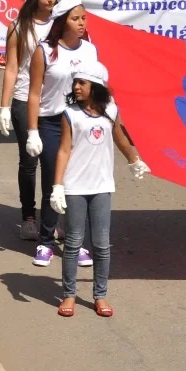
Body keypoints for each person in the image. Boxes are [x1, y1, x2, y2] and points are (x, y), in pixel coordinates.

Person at [51, 61, 150, 318]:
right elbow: (64, 149)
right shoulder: (70, 114)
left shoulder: (111, 111)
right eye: (75, 83)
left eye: (82, 82)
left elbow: (120, 137)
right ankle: (69, 295)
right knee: (73, 242)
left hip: (102, 185)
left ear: (95, 85)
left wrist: (134, 159)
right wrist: (58, 185)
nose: (76, 87)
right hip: (75, 185)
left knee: (102, 244)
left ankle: (100, 295)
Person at [26, 0, 98, 267]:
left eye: (84, 18)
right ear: (62, 21)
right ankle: (46, 241)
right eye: (75, 18)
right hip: (52, 123)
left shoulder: (90, 50)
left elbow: (95, 89)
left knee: (77, 186)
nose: (81, 23)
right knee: (53, 184)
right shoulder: (44, 51)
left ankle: (75, 242)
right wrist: (33, 130)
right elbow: (34, 94)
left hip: (80, 122)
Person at [0, 0, 59, 241]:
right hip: (24, 100)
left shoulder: (60, 25)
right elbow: (12, 67)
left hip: (54, 101)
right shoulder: (18, 27)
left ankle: (49, 219)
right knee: (30, 161)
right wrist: (5, 105)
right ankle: (29, 217)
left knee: (53, 162)